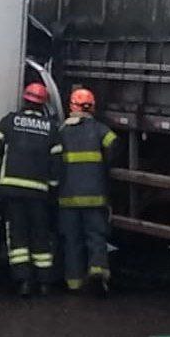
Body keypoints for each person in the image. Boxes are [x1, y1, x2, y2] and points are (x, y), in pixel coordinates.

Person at [0, 83, 58, 297]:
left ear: (25, 100)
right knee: (40, 235)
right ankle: (44, 283)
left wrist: (7, 153)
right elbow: (56, 162)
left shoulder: (11, 121)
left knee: (17, 236)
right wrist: (53, 188)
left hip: (12, 189)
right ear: (43, 104)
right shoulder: (51, 128)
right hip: (39, 192)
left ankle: (24, 282)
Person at [52, 87, 117, 296]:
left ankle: (74, 283)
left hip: (68, 199)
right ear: (92, 107)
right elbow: (114, 145)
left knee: (72, 241)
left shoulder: (61, 132)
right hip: (95, 198)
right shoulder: (100, 130)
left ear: (72, 106)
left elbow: (53, 162)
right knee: (96, 236)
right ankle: (98, 271)